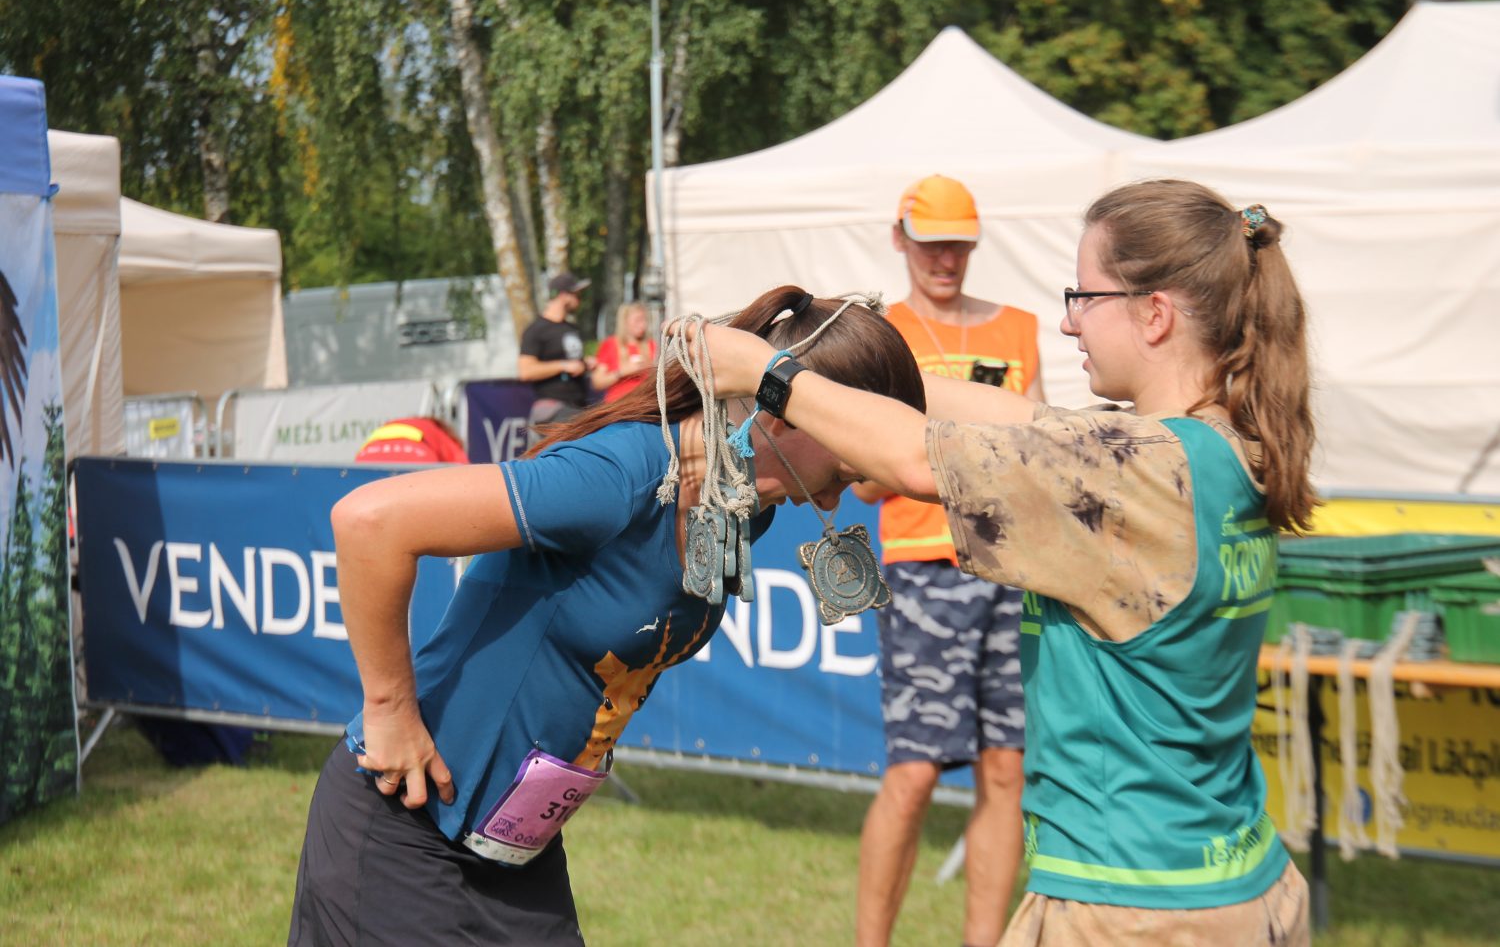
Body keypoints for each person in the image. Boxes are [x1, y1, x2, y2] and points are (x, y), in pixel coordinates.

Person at [688, 180, 1315, 946]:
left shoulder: (1133, 474)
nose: (1068, 320)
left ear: (1155, 314)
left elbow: (914, 462)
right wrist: (871, 375)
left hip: (1134, 910)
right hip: (1240, 884)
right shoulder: (1219, 447)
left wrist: (766, 373)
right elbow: (1036, 421)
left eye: (1085, 297)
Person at [288, 286, 926, 946]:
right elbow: (369, 523)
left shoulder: (744, 501)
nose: (841, 496)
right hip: (407, 825)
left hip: (516, 854)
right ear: (783, 417)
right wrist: (389, 709)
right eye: (841, 470)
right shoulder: (615, 479)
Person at [853, 175, 1043, 947]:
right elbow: (863, 478)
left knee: (1007, 771)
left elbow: (1041, 457)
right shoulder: (880, 335)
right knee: (915, 773)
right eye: (931, 243)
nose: (945, 258)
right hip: (924, 569)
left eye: (959, 243)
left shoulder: (1021, 330)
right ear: (900, 239)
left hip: (1013, 569)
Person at [518, 272, 593, 431]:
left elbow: (573, 361)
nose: (579, 299)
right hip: (552, 408)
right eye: (576, 294)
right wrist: (563, 365)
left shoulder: (571, 328)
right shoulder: (536, 330)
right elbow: (526, 371)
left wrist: (586, 363)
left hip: (579, 405)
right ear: (564, 295)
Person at [591, 301, 658, 403]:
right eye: (638, 320)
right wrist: (622, 372)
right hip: (617, 405)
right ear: (625, 322)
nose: (643, 325)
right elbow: (597, 383)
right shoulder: (611, 344)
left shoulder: (652, 345)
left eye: (645, 320)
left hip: (644, 404)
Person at [354, 416, 469, 464]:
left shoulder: (391, 425)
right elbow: (463, 471)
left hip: (364, 459)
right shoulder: (439, 431)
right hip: (418, 462)